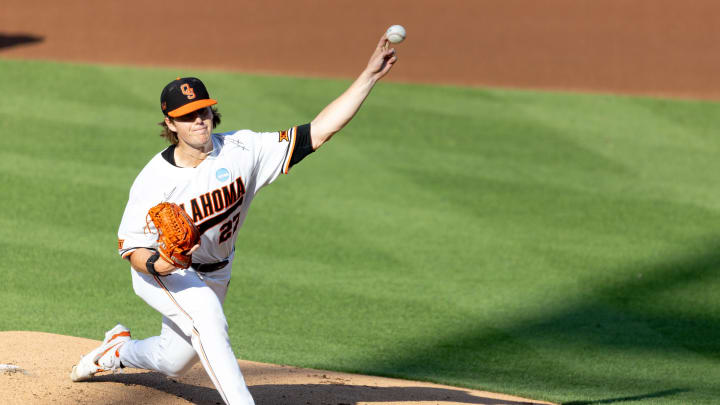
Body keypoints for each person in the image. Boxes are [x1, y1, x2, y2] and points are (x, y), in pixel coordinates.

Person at [69, 34, 398, 405]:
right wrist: (161, 262)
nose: (198, 120)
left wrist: (369, 75)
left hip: (218, 270)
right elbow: (131, 249)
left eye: (203, 111)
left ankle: (117, 351)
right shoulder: (153, 181)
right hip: (167, 273)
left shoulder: (243, 150)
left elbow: (319, 131)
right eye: (186, 116)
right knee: (208, 318)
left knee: (173, 361)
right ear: (170, 124)